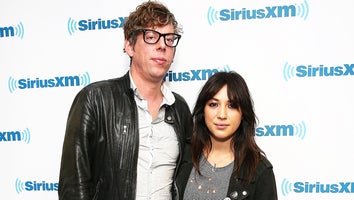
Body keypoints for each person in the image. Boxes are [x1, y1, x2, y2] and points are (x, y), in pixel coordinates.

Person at [58, 1, 192, 200]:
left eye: (170, 39)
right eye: (151, 37)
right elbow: (73, 187)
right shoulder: (95, 99)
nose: (162, 45)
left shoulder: (179, 109)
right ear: (129, 46)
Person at [175, 71, 277, 200]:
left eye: (231, 106)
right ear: (203, 110)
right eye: (213, 104)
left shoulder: (259, 170)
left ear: (243, 113)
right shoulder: (182, 156)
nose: (222, 115)